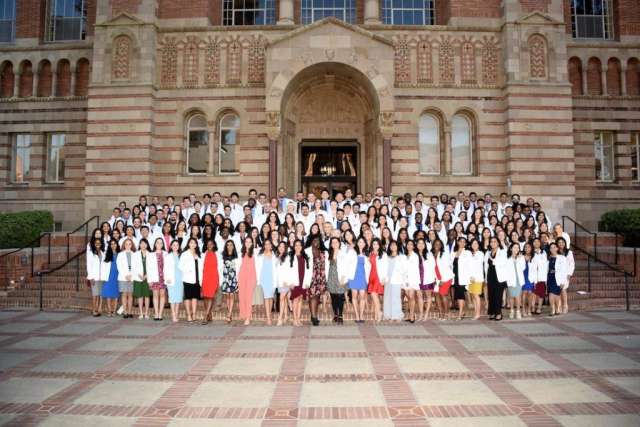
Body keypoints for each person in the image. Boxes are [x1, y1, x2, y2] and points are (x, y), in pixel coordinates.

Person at [458, 239, 485, 320]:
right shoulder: (470, 253)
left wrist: (474, 276)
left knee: (476, 296)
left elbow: (477, 265)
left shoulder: (480, 253)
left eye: (476, 243)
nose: (474, 245)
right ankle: (476, 312)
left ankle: (478, 313)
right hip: (470, 278)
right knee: (473, 296)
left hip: (477, 278)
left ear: (478, 245)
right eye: (473, 243)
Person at [179, 237, 203, 322]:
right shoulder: (185, 254)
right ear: (188, 244)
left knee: (195, 298)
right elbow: (180, 266)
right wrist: (188, 270)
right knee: (188, 298)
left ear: (196, 244)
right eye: (191, 242)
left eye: (194, 243)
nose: (193, 244)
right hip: (188, 279)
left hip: (197, 279)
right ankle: (189, 315)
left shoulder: (199, 254)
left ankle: (194, 315)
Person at [484, 237, 508, 321]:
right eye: (491, 242)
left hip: (499, 276)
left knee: (498, 296)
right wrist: (485, 278)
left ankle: (498, 313)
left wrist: (493, 260)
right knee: (491, 295)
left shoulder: (502, 252)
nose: (493, 243)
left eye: (495, 241)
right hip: (490, 275)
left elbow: (502, 263)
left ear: (498, 243)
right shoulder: (488, 253)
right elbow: (486, 265)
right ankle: (492, 312)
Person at [306, 236, 328, 326]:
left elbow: (325, 265)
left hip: (321, 276)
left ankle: (314, 316)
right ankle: (314, 317)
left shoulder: (323, 252)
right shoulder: (307, 251)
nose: (316, 242)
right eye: (314, 240)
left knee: (317, 297)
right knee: (312, 296)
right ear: (311, 241)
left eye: (318, 241)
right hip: (311, 277)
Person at [289, 239, 311, 326]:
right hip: (295, 281)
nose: (298, 247)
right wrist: (290, 282)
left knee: (300, 298)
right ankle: (294, 319)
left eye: (299, 245)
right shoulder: (290, 256)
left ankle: (298, 319)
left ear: (302, 247)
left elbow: (308, 270)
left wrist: (307, 282)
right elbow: (288, 271)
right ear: (294, 247)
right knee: (295, 299)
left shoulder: (305, 256)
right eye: (296, 245)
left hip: (303, 280)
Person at [347, 237, 369, 323]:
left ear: (365, 244)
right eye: (360, 242)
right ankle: (357, 315)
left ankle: (361, 315)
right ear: (357, 243)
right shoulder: (352, 252)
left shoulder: (366, 253)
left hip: (363, 277)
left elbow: (368, 267)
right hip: (354, 276)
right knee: (354, 296)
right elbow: (347, 264)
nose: (361, 243)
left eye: (363, 242)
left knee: (363, 296)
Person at [256, 239, 278, 325]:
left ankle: (268, 314)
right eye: (266, 244)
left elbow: (276, 268)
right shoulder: (260, 256)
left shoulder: (275, 256)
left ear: (271, 246)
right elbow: (258, 268)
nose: (267, 246)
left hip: (272, 278)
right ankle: (268, 318)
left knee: (271, 297)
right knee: (266, 297)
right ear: (264, 246)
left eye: (269, 244)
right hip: (264, 279)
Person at [201, 239, 222, 324]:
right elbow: (200, 267)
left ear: (214, 245)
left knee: (211, 296)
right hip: (205, 277)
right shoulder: (203, 255)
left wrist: (219, 281)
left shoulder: (218, 254)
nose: (209, 245)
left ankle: (205, 316)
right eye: (208, 244)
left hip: (214, 277)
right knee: (205, 297)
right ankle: (209, 314)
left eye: (211, 244)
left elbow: (220, 268)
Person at [431, 239, 454, 321]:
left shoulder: (444, 254)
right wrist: (434, 279)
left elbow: (446, 267)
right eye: (435, 244)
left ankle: (446, 314)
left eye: (439, 244)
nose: (437, 245)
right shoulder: (432, 254)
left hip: (445, 278)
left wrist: (442, 280)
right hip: (436, 278)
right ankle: (440, 313)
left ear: (441, 246)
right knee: (437, 295)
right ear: (433, 245)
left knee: (443, 294)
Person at [367, 238, 388, 322]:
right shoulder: (370, 254)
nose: (375, 246)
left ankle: (379, 312)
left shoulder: (383, 255)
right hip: (371, 277)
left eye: (377, 244)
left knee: (374, 295)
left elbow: (386, 267)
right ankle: (376, 315)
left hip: (378, 277)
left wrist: (384, 278)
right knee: (374, 297)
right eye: (374, 244)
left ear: (380, 245)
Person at [385, 240, 406, 321]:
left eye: (395, 245)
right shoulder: (387, 257)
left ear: (398, 246)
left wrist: (403, 281)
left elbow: (404, 270)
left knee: (396, 298)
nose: (393, 246)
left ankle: (397, 316)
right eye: (391, 245)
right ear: (389, 247)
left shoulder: (401, 257)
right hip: (388, 280)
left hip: (397, 280)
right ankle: (389, 315)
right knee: (388, 298)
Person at [238, 236, 257, 326]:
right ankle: (244, 314)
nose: (248, 243)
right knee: (242, 297)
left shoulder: (255, 252)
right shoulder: (241, 253)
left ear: (252, 243)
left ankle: (248, 317)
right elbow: (238, 266)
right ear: (244, 243)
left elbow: (257, 267)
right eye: (246, 241)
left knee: (249, 297)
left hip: (251, 278)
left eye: (250, 242)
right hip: (242, 277)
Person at [132, 238, 153, 319]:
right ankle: (141, 313)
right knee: (140, 296)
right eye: (141, 243)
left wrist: (146, 275)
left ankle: (146, 313)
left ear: (147, 245)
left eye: (145, 243)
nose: (143, 245)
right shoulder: (135, 254)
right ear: (139, 245)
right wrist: (139, 275)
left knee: (147, 296)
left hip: (148, 277)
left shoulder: (150, 254)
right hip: (138, 277)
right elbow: (133, 266)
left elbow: (152, 267)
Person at [221, 240, 241, 323]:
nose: (229, 246)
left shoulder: (237, 257)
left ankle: (229, 314)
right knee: (227, 296)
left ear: (233, 246)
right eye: (228, 245)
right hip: (225, 279)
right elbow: (220, 268)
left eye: (231, 245)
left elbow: (239, 269)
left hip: (233, 279)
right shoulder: (223, 256)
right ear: (226, 246)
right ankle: (229, 313)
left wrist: (238, 280)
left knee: (232, 296)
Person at [116, 238, 136, 318]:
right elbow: (119, 266)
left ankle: (130, 311)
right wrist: (126, 275)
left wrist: (131, 275)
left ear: (132, 245)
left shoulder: (134, 254)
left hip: (132, 277)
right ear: (124, 245)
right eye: (126, 244)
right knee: (124, 294)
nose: (128, 245)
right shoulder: (120, 254)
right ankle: (125, 312)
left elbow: (136, 267)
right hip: (123, 277)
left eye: (129, 244)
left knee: (130, 295)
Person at [505, 242, 525, 320]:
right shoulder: (507, 259)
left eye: (518, 247)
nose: (516, 249)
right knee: (511, 296)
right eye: (515, 247)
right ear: (511, 248)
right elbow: (506, 270)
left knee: (517, 296)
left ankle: (518, 311)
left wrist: (519, 259)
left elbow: (523, 268)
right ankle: (511, 311)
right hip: (510, 279)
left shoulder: (521, 257)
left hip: (518, 279)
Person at [149, 238, 168, 321]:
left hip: (163, 278)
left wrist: (167, 278)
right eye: (157, 243)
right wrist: (149, 280)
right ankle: (156, 313)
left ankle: (160, 314)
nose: (159, 244)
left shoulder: (166, 254)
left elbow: (168, 267)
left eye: (161, 243)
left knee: (162, 295)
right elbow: (148, 268)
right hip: (154, 277)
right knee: (155, 296)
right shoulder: (151, 254)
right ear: (155, 244)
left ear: (163, 244)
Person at [547, 242, 568, 317]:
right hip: (550, 277)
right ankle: (552, 309)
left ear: (557, 248)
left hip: (558, 278)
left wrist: (563, 282)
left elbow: (564, 270)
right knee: (551, 293)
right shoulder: (548, 258)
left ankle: (557, 309)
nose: (552, 249)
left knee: (557, 294)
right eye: (551, 247)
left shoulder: (562, 258)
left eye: (554, 247)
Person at [86, 237, 106, 317]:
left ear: (101, 244)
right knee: (95, 295)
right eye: (96, 243)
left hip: (101, 277)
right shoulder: (91, 253)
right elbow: (89, 266)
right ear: (94, 244)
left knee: (99, 294)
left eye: (99, 243)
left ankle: (97, 309)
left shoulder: (102, 253)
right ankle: (94, 310)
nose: (98, 245)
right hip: (94, 277)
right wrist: (90, 277)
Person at [165, 240, 183, 322]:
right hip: (171, 279)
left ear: (179, 247)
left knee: (178, 297)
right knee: (172, 298)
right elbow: (165, 269)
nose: (175, 246)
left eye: (177, 245)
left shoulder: (181, 256)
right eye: (174, 245)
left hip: (180, 279)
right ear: (171, 246)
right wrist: (167, 278)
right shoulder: (168, 256)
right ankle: (173, 315)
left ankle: (176, 313)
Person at [274, 241, 292, 325]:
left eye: (283, 246)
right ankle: (286, 316)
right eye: (280, 246)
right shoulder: (277, 256)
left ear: (285, 248)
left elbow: (289, 270)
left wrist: (287, 281)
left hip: (285, 281)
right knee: (284, 299)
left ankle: (280, 318)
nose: (281, 248)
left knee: (281, 298)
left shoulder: (287, 257)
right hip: (279, 282)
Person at [101, 239, 120, 317]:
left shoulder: (120, 254)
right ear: (109, 245)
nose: (113, 245)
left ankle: (114, 311)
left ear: (117, 245)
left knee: (115, 294)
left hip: (117, 276)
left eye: (114, 244)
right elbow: (103, 266)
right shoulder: (106, 254)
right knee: (108, 294)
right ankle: (109, 311)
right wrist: (103, 276)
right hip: (108, 277)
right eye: (111, 244)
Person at [451, 237, 468, 320]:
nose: (462, 243)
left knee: (461, 295)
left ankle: (460, 313)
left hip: (463, 277)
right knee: (457, 295)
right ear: (457, 242)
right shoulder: (453, 252)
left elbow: (469, 266)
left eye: (464, 242)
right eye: (460, 241)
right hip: (455, 276)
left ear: (465, 244)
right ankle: (462, 312)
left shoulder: (467, 253)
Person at [556, 237, 574, 314]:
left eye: (562, 242)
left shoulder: (569, 253)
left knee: (563, 290)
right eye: (559, 242)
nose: (561, 244)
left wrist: (569, 273)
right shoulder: (555, 252)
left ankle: (565, 305)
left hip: (565, 274)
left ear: (565, 243)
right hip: (557, 274)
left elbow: (572, 264)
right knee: (558, 290)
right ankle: (559, 306)